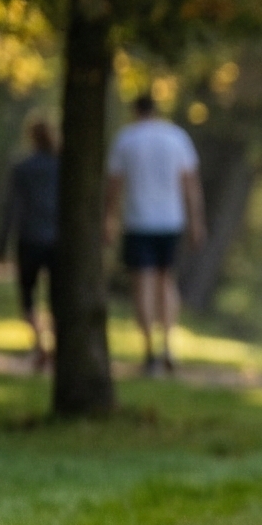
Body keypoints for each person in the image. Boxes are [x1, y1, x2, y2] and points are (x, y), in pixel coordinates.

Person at [105, 93, 203, 375]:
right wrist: (196, 222)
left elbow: (113, 185)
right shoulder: (177, 138)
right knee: (166, 280)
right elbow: (190, 183)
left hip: (138, 221)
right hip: (171, 221)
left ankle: (149, 351)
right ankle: (169, 344)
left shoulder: (126, 139)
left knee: (143, 284)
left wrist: (108, 219)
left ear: (135, 110)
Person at [0, 118, 63, 371]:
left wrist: (1, 243)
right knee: (57, 297)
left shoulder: (23, 168)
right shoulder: (62, 166)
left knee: (28, 296)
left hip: (30, 239)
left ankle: (40, 345)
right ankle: (55, 346)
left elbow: (11, 207)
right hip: (57, 240)